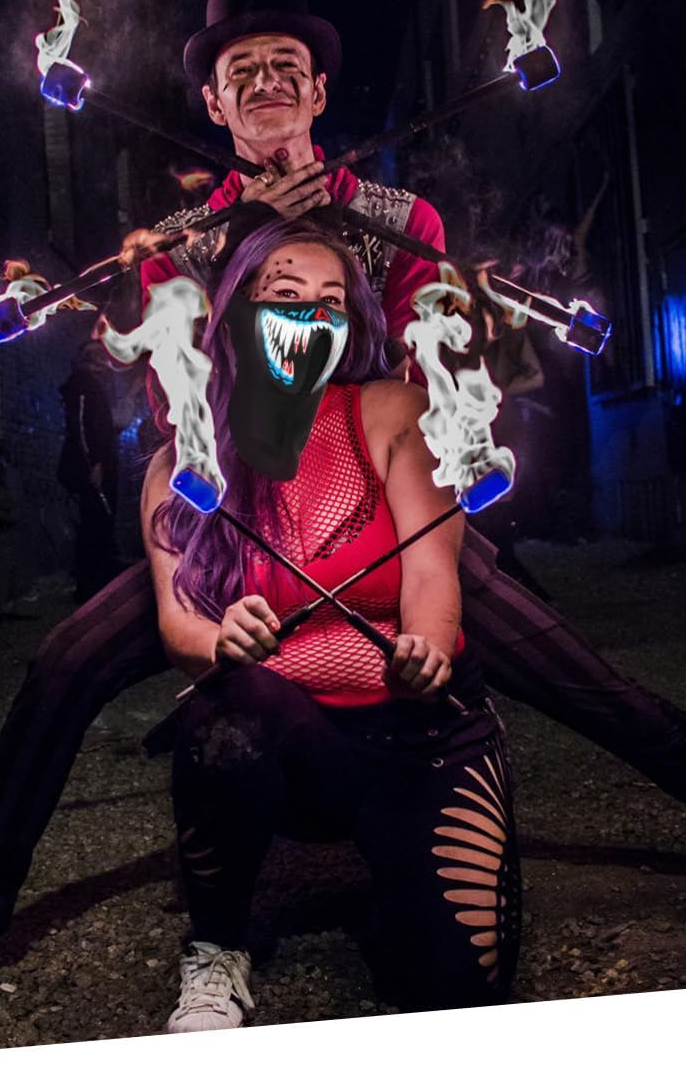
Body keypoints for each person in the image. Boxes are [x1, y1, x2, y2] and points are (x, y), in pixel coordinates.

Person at [0, 0, 686, 1019]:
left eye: (286, 67)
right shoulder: (176, 243)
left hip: (376, 501)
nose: (266, 83)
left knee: (598, 691)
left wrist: (330, 242)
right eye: (241, 72)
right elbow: (177, 395)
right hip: (237, 523)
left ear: (319, 93)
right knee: (61, 667)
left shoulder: (402, 220)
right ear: (214, 106)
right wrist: (246, 243)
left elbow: (429, 374)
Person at [145, 218, 519, 1029]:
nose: (314, 317)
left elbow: (432, 570)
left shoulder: (396, 411)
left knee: (454, 991)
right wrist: (219, 641)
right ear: (236, 313)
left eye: (333, 301)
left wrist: (426, 646)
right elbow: (176, 622)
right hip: (295, 744)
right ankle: (217, 946)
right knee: (225, 710)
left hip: (419, 737)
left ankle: (401, 892)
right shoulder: (188, 458)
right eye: (287, 295)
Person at [57, 334, 124, 602]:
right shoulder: (83, 383)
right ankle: (88, 586)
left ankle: (100, 583)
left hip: (101, 466)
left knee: (100, 523)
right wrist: (94, 464)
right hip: (93, 469)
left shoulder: (95, 384)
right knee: (93, 525)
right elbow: (83, 428)